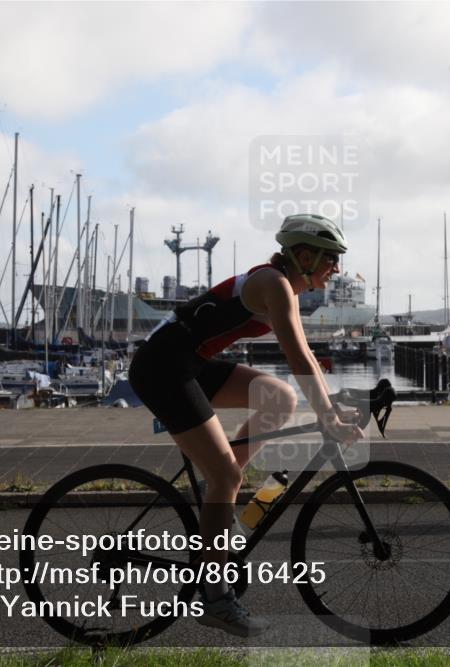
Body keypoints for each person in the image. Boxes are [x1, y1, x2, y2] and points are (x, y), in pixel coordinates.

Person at [128, 213, 365, 636]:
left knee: (280, 398)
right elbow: (297, 357)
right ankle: (216, 599)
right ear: (305, 256)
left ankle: (216, 493)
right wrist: (327, 416)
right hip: (162, 368)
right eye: (331, 258)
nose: (337, 268)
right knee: (228, 476)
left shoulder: (283, 286)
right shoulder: (274, 284)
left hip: (188, 362)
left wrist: (329, 408)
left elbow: (306, 357)